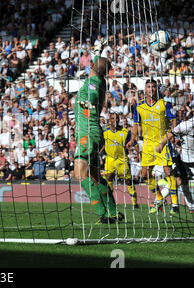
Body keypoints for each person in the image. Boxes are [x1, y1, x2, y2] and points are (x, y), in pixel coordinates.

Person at [73, 38, 124, 224]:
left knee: (80, 175)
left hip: (87, 133)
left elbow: (93, 95)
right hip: (95, 133)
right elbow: (96, 69)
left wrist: (88, 104)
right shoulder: (99, 79)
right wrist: (98, 51)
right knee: (95, 176)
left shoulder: (94, 85)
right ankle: (112, 212)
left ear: (93, 66)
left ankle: (102, 214)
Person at [128, 79, 179, 215]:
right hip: (147, 144)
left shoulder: (165, 104)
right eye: (148, 87)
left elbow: (173, 121)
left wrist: (171, 136)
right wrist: (132, 139)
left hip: (162, 142)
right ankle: (159, 197)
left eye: (153, 87)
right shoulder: (138, 107)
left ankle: (175, 204)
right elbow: (135, 125)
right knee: (144, 175)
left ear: (157, 89)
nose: (151, 89)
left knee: (168, 172)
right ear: (145, 90)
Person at [155, 115, 194, 213]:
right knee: (179, 181)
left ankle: (191, 207)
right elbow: (171, 134)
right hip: (186, 160)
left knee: (181, 181)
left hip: (188, 158)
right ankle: (157, 201)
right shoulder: (186, 125)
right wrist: (161, 145)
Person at [101, 113, 138, 208]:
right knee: (109, 177)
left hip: (122, 159)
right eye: (113, 118)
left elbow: (134, 142)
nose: (116, 120)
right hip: (110, 159)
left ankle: (134, 203)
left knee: (128, 180)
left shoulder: (125, 131)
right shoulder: (105, 132)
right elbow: (102, 144)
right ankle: (110, 201)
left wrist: (138, 153)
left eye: (117, 118)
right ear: (110, 121)